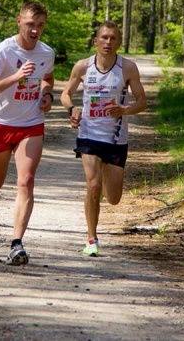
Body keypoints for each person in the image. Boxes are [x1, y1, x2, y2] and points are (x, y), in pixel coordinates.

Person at [0, 1, 55, 266]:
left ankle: (16, 244)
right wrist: (16, 76)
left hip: (31, 124)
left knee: (26, 181)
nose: (35, 30)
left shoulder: (46, 53)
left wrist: (47, 94)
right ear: (19, 22)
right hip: (1, 123)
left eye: (40, 25)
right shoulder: (3, 51)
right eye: (30, 24)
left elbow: (48, 78)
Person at [60, 20, 147, 257]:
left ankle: (107, 180)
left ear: (119, 42)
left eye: (113, 38)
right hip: (89, 134)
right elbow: (66, 94)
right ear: (96, 41)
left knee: (113, 197)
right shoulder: (82, 66)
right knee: (93, 185)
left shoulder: (128, 68)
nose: (108, 42)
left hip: (116, 138)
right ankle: (92, 239)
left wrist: (124, 110)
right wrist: (72, 110)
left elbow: (142, 102)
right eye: (104, 37)